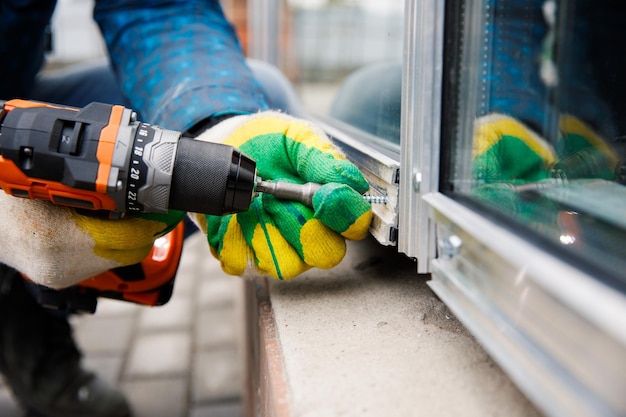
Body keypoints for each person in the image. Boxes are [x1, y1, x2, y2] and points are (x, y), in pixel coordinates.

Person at [0, 1, 374, 416]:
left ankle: (18, 305)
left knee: (263, 91)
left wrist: (213, 124)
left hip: (14, 97)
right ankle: (20, 317)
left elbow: (157, 8)